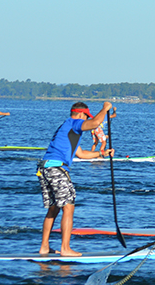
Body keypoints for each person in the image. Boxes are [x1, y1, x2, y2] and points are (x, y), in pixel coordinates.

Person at [36, 101, 114, 255]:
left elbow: (81, 154)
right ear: (80, 114)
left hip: (45, 168)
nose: (86, 119)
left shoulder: (67, 129)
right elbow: (95, 123)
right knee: (68, 206)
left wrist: (101, 153)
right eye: (86, 116)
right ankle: (65, 249)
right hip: (56, 168)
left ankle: (44, 247)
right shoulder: (74, 123)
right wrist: (105, 108)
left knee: (54, 208)